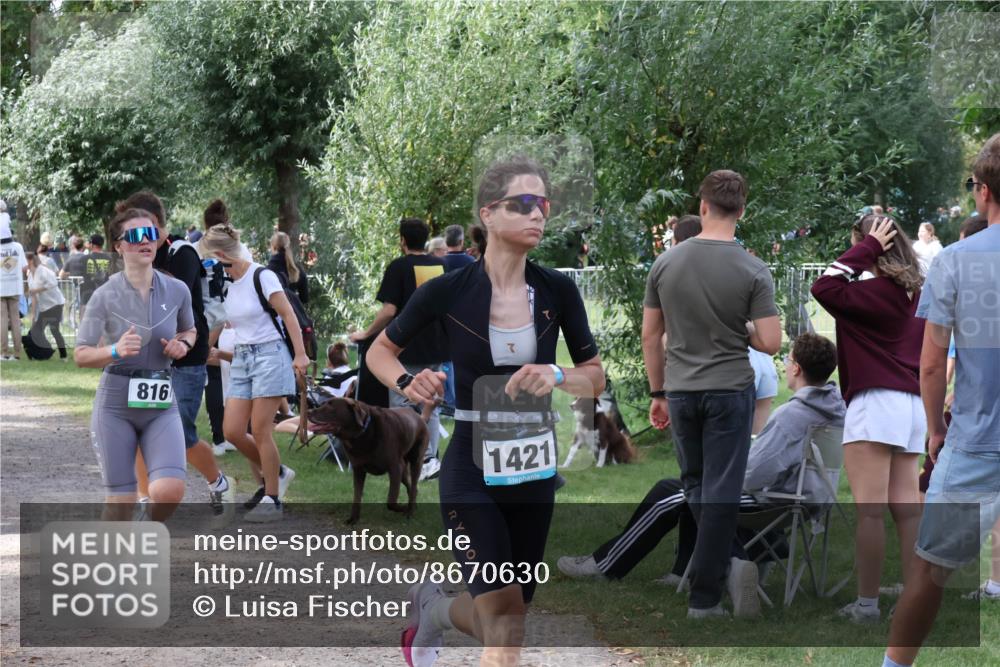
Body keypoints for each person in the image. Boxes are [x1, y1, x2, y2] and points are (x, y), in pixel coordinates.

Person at [366, 156, 605, 667]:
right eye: (524, 203)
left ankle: (433, 610)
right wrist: (408, 381)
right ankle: (436, 612)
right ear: (488, 213)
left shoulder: (558, 290)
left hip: (534, 469)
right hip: (471, 468)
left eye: (543, 204)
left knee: (509, 619)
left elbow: (595, 376)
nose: (538, 214)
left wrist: (557, 374)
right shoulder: (447, 290)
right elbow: (379, 352)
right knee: (502, 626)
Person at [558, 334, 845, 606]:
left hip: (775, 503)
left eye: (787, 360)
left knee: (683, 495)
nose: (784, 365)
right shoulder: (834, 408)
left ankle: (605, 565)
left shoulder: (792, 415)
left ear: (796, 368)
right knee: (678, 486)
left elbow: (755, 474)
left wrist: (721, 474)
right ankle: (682, 571)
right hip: (810, 500)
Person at [642, 170, 781, 619]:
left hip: (681, 389)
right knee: (721, 490)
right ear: (742, 211)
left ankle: (726, 568)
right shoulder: (752, 268)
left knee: (697, 485)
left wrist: (657, 391)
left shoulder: (666, 263)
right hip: (729, 388)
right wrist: (742, 327)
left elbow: (650, 335)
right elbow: (771, 341)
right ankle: (708, 593)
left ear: (702, 206)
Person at [883, 134, 1000, 667]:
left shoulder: (955, 260)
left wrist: (935, 429)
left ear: (983, 191)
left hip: (975, 440)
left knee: (929, 572)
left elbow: (931, 364)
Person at [810, 214, 926, 624]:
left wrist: (867, 247)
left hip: (875, 402)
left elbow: (823, 286)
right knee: (908, 512)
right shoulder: (917, 294)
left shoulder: (865, 293)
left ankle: (867, 605)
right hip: (912, 405)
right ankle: (913, 601)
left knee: (871, 513)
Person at [113, 191, 235, 518]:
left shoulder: (183, 253)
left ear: (154, 222)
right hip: (149, 359)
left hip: (185, 360)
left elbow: (168, 301)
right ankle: (144, 504)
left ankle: (218, 482)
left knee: (180, 435)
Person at [74, 208, 195, 519]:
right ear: (119, 246)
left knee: (169, 491)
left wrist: (183, 344)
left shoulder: (178, 290)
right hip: (115, 406)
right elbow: (81, 354)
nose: (146, 241)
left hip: (160, 402)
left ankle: (144, 526)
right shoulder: (103, 295)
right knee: (121, 501)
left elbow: (189, 330)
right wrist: (115, 350)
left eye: (151, 233)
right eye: (136, 235)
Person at [200, 223, 309, 522]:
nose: (207, 264)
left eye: (209, 258)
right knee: (233, 431)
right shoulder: (225, 282)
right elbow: (220, 320)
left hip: (270, 355)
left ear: (221, 255)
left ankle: (272, 498)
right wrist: (203, 349)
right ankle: (279, 472)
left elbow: (288, 315)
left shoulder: (262, 276)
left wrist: (300, 354)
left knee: (260, 430)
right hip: (243, 357)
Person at [350, 217, 448, 481]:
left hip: (404, 347)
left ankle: (407, 460)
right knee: (431, 401)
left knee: (402, 404)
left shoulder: (399, 267)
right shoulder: (441, 265)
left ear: (402, 240)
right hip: (435, 345)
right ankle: (429, 459)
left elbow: (389, 310)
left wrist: (366, 334)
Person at [25, 252, 67, 360]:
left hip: (56, 304)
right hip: (44, 307)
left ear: (30, 261)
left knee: (54, 330)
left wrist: (36, 290)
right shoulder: (30, 276)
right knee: (35, 331)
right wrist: (33, 315)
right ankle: (42, 353)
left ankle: (63, 355)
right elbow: (33, 296)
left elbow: (53, 283)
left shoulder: (44, 271)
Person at [1, 203, 27, 361]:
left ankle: (4, 352)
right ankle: (17, 353)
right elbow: (24, 267)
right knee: (16, 320)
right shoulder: (18, 246)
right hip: (15, 286)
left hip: (1, 287)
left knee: (2, 320)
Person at [267, 230, 309, 305]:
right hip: (293, 310)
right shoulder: (297, 269)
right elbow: (304, 298)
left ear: (273, 247)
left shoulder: (267, 271)